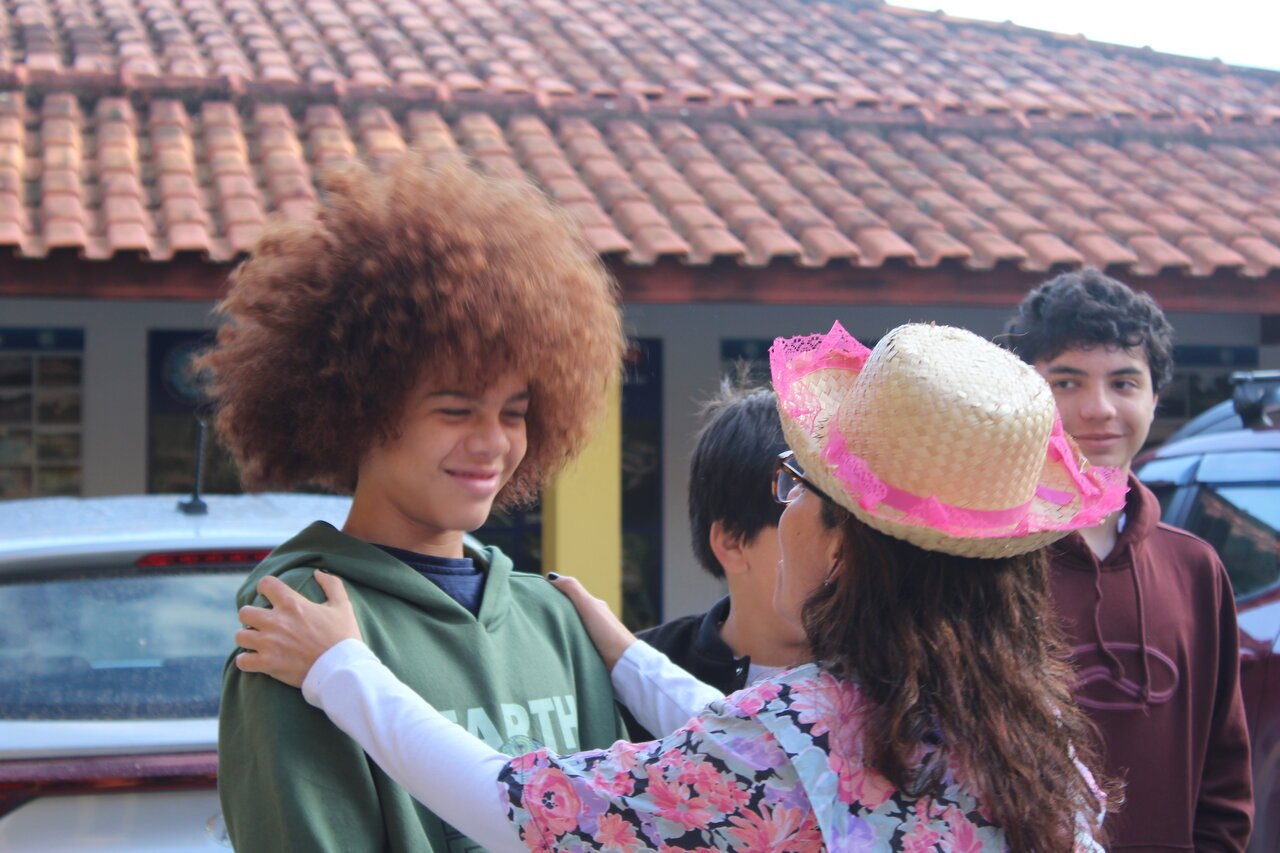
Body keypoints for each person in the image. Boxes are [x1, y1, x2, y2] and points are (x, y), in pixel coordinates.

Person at [234, 321, 1127, 851]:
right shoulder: (1026, 736)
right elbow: (781, 752)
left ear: (847, 547)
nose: (493, 441)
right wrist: (625, 653)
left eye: (797, 486)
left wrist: (341, 668)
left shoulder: (798, 733)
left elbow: (520, 806)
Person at [200, 152, 629, 852]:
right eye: (455, 409)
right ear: (359, 409)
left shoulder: (555, 621)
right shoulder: (303, 624)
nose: (492, 443)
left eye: (515, 412)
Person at [1005, 268, 1254, 850]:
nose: (1099, 409)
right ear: (1026, 394)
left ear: (1154, 397)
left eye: (1123, 382)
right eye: (1066, 382)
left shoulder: (1195, 569)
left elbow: (1224, 776)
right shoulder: (984, 561)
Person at [626, 382, 803, 740]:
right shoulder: (633, 672)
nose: (838, 552)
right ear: (733, 543)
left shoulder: (890, 677)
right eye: (822, 525)